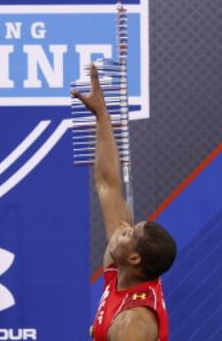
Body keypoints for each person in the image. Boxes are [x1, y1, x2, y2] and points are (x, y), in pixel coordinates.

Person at [72, 64, 177, 341]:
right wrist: (101, 116)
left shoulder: (134, 322)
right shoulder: (122, 267)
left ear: (134, 258)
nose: (123, 229)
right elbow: (108, 185)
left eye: (130, 233)